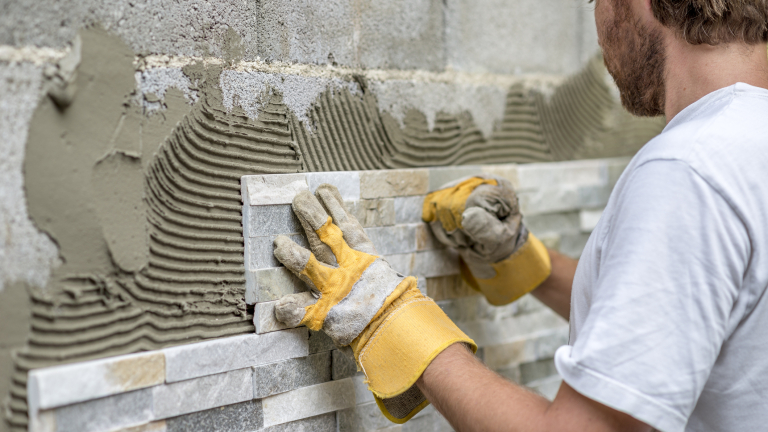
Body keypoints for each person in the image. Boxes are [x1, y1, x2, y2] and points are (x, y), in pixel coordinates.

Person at [271, 0, 768, 430]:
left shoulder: (689, 169)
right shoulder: (743, 147)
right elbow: (688, 318)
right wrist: (526, 261)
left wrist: (390, 320)